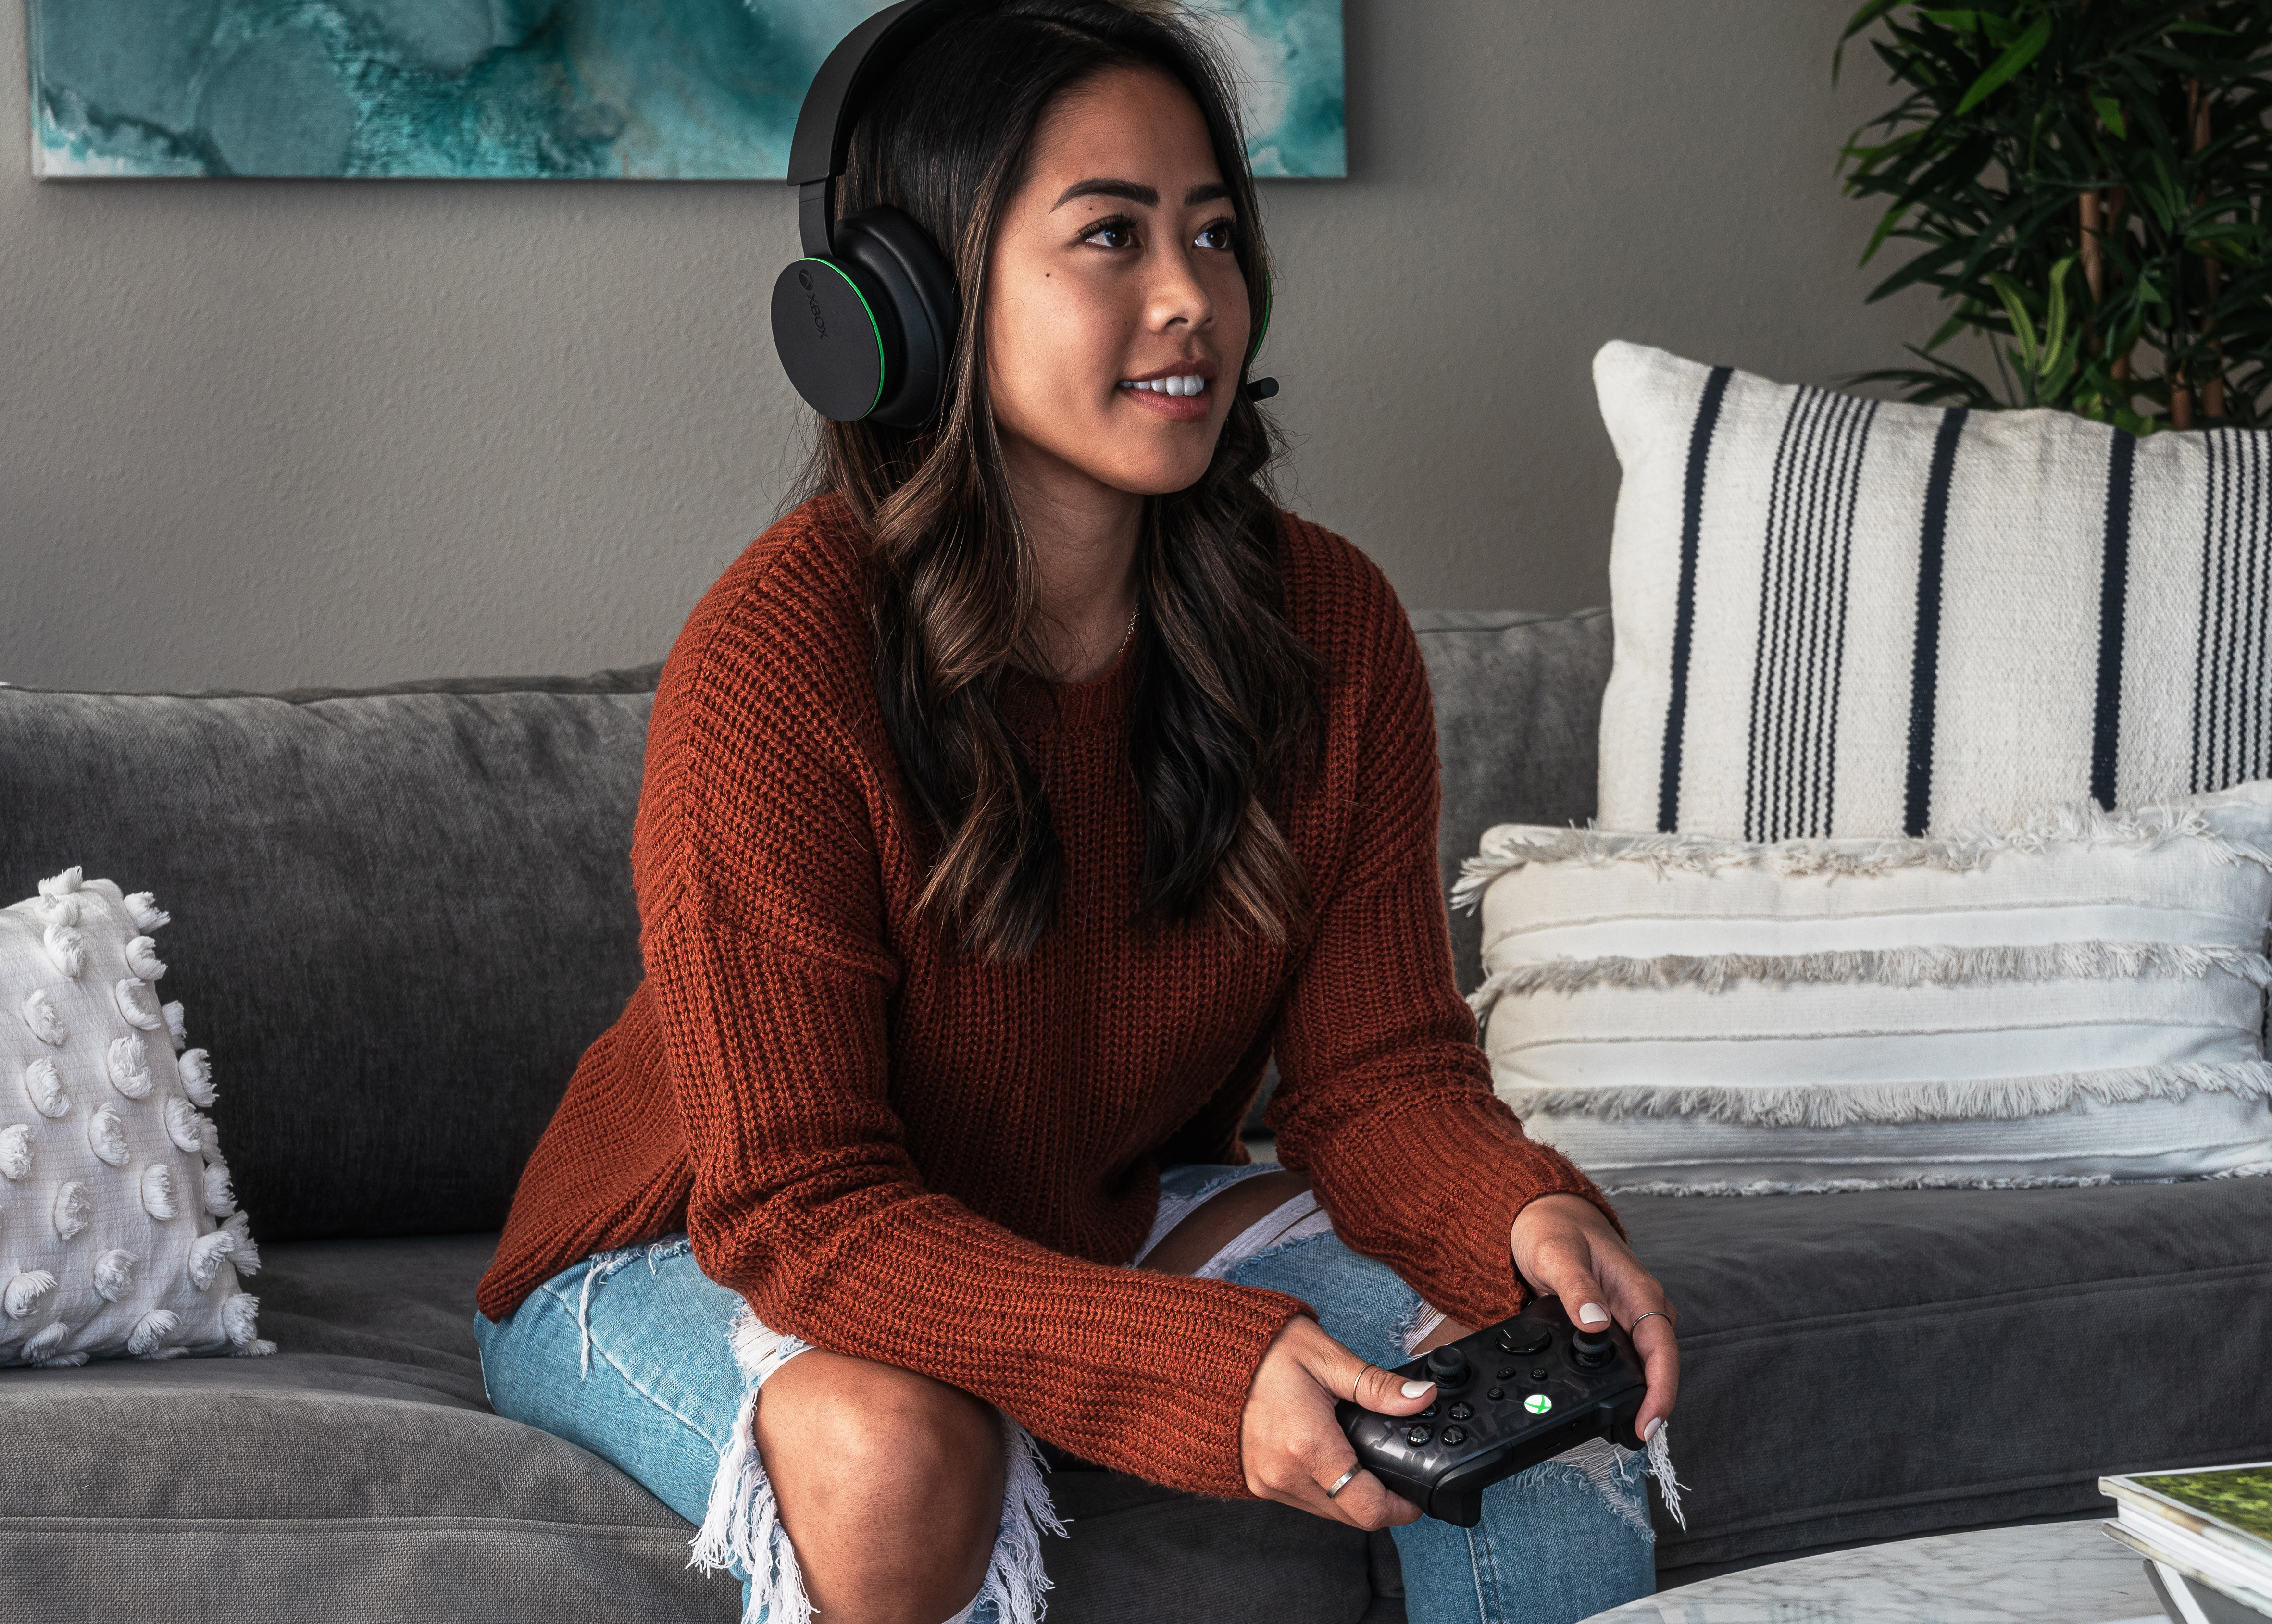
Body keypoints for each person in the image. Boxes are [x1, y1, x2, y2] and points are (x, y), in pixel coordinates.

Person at [472, 4, 1682, 1621]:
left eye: (1214, 233)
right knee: (901, 1446)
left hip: (1081, 1210)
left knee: (1526, 1391)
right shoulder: (780, 656)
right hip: (694, 1242)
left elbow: (1382, 1073)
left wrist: (1516, 1212)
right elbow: (799, 1208)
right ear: (906, 303)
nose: (1192, 296)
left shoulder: (1330, 625)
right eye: (1110, 234)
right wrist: (1196, 1363)